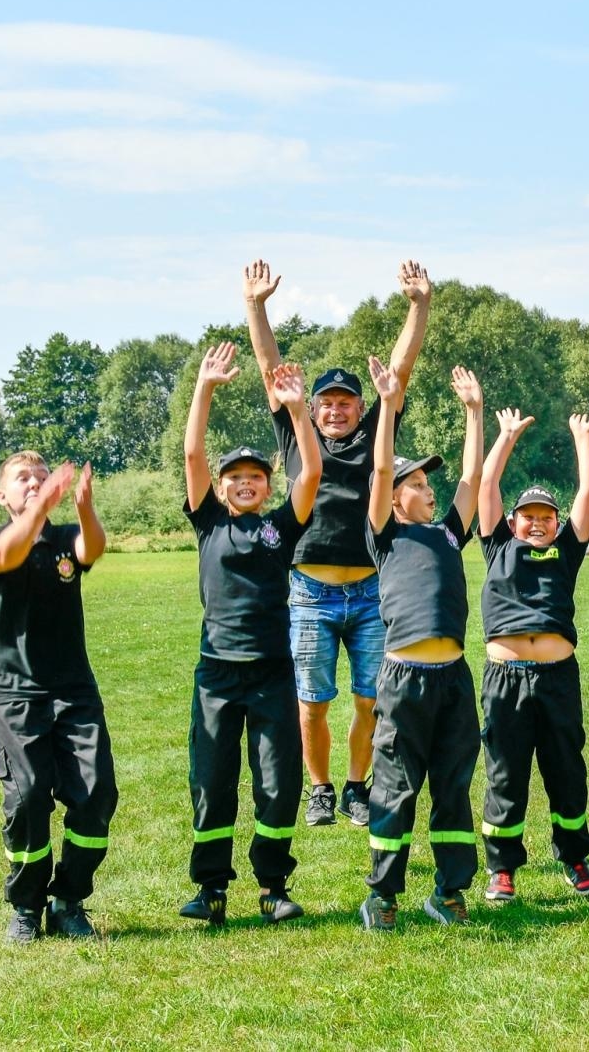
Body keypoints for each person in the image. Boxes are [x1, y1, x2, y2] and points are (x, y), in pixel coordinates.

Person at [243, 258, 433, 828]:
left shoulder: (377, 432)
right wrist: (256, 307)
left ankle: (356, 785)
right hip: (309, 591)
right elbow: (269, 367)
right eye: (326, 401)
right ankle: (320, 789)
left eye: (345, 402)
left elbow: (399, 370)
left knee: (371, 701)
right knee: (312, 702)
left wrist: (418, 305)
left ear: (358, 408)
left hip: (372, 592)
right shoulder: (296, 431)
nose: (333, 409)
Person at [177, 343, 320, 926]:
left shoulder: (280, 530)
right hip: (216, 672)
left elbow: (310, 471)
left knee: (276, 781)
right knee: (212, 781)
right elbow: (191, 452)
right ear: (221, 485)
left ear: (266, 486)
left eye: (255, 477)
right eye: (234, 477)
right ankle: (210, 890)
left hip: (270, 673)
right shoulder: (208, 521)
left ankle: (272, 885)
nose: (244, 483)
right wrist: (205, 387)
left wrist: (297, 411)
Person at [357, 358, 483, 931]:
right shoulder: (385, 535)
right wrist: (386, 407)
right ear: (394, 496)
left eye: (430, 485)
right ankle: (383, 896)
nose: (428, 492)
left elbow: (472, 482)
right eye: (418, 484)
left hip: (454, 679)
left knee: (453, 787)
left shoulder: (448, 535)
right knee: (397, 787)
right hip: (403, 679)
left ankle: (450, 891)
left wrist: (475, 414)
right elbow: (380, 468)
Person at [0, 453, 116, 943]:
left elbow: (91, 549)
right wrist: (41, 505)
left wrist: (84, 507)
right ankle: (26, 907)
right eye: (21, 479)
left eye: (40, 476)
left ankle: (68, 900)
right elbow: (3, 558)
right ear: (1, 496)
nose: (33, 483)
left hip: (72, 688)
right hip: (9, 690)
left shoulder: (59, 542)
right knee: (30, 795)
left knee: (96, 794)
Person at [476, 407, 589, 902]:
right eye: (527, 516)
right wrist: (505, 436)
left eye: (545, 517)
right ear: (512, 522)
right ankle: (502, 868)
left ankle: (573, 855)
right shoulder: (496, 547)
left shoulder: (567, 550)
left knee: (565, 769)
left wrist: (581, 438)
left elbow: (588, 494)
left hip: (557, 678)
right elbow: (487, 485)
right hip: (505, 678)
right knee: (505, 772)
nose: (536, 524)